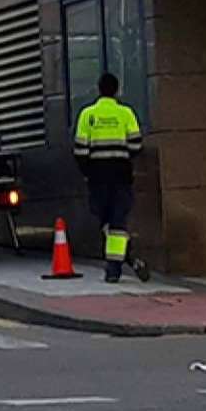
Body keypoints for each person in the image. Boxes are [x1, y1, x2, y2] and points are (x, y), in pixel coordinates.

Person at [73, 72, 149, 283]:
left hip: (97, 177)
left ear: (98, 89)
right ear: (117, 90)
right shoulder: (126, 114)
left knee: (107, 222)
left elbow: (80, 151)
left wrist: (89, 172)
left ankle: (115, 267)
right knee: (117, 221)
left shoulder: (88, 115)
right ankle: (125, 261)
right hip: (121, 176)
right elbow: (136, 145)